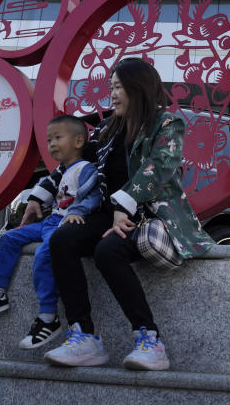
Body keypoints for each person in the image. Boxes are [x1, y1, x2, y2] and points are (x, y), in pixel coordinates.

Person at [43, 57, 214, 370]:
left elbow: (159, 167)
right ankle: (84, 336)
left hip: (152, 215)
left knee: (108, 250)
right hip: (108, 213)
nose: (113, 94)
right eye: (111, 87)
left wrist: (124, 205)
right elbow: (76, 159)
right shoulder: (109, 129)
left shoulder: (167, 123)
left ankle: (150, 339)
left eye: (118, 87)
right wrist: (38, 195)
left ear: (139, 87)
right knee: (62, 239)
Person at [0, 114, 101, 350]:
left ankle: (48, 316)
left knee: (44, 255)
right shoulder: (63, 169)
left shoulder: (86, 168)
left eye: (58, 137)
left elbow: (93, 194)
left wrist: (77, 211)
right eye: (49, 140)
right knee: (8, 238)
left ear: (79, 141)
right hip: (50, 221)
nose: (52, 144)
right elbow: (49, 187)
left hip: (63, 224)